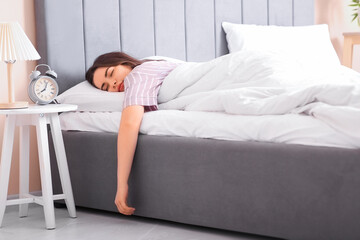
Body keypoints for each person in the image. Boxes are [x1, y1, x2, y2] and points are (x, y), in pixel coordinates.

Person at [85, 52, 180, 215]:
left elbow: (129, 123)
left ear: (123, 62)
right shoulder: (154, 65)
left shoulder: (138, 74)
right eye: (106, 87)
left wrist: (122, 185)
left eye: (110, 73)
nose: (113, 84)